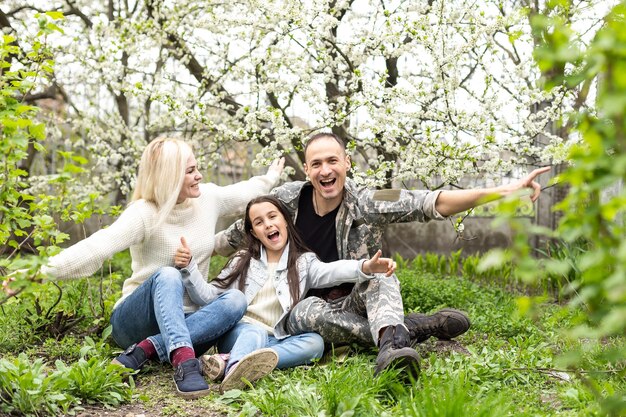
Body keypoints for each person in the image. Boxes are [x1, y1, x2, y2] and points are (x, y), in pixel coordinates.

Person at [215, 132, 551, 376]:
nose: (325, 170)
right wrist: (191, 250)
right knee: (310, 312)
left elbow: (430, 202)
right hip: (301, 305)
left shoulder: (369, 200)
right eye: (316, 164)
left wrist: (505, 190)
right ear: (306, 169)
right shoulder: (285, 201)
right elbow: (238, 233)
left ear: (346, 163)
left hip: (357, 298)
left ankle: (390, 351)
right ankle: (407, 328)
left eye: (333, 160)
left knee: (380, 274)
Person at [38, 138, 284, 398]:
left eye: (197, 168)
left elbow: (244, 192)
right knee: (168, 275)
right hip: (136, 320)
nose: (199, 175)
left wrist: (270, 177)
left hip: (189, 322)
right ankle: (184, 363)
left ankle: (146, 350)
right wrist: (38, 273)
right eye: (190, 171)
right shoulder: (144, 213)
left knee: (235, 299)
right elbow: (98, 245)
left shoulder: (208, 199)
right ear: (170, 177)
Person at [175, 195, 397, 392]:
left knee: (315, 344)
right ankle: (235, 370)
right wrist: (189, 267)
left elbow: (332, 271)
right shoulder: (243, 260)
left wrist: (365, 267)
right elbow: (209, 296)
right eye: (259, 222)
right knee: (255, 333)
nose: (268, 224)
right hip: (239, 333)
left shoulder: (304, 263)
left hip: (275, 338)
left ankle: (233, 362)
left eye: (273, 216)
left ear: (285, 220)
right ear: (254, 232)